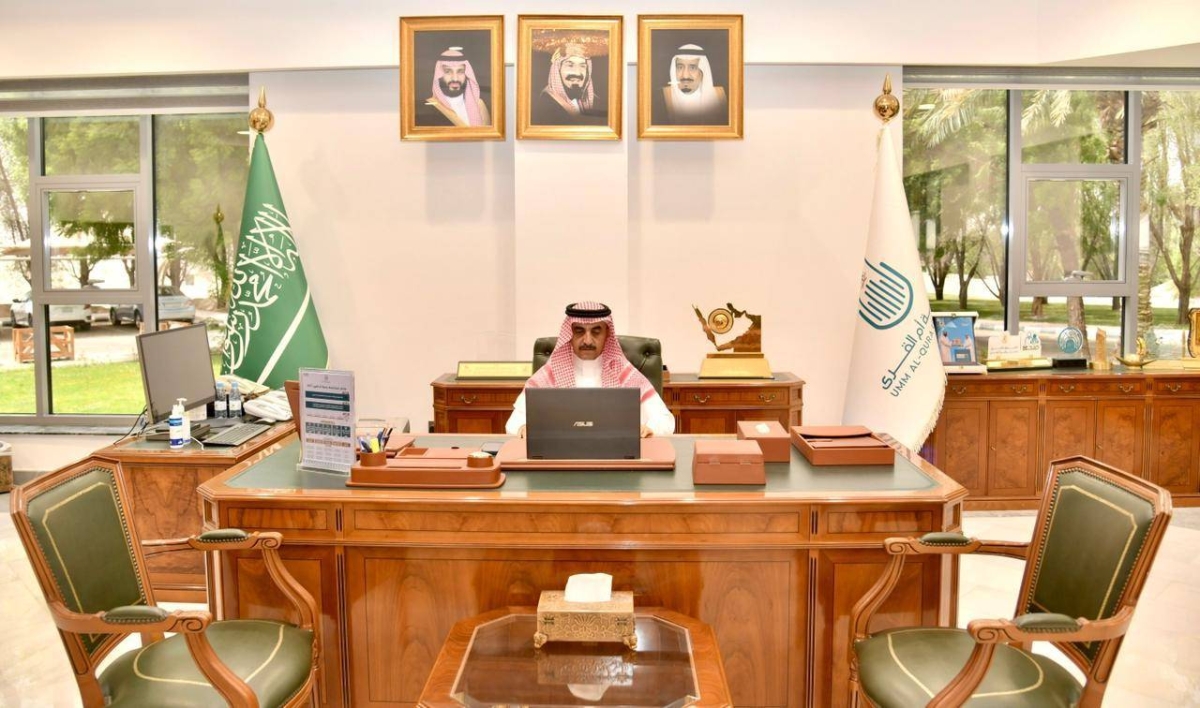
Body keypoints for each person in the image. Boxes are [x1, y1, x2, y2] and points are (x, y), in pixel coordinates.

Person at [505, 302, 675, 437]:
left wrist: (650, 428)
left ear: (607, 334)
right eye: (579, 331)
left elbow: (666, 420)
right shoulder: (549, 375)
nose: (587, 340)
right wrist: (522, 427)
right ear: (569, 334)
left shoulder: (625, 374)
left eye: (596, 332)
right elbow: (512, 424)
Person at [532, 42, 606, 125]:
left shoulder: (596, 101)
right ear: (557, 69)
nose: (577, 73)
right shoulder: (546, 103)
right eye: (570, 65)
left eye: (582, 66)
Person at [416, 46, 491, 127]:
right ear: (439, 75)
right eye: (448, 71)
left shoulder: (479, 105)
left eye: (460, 71)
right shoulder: (428, 107)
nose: (455, 78)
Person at [662, 44, 728, 124]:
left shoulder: (720, 96)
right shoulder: (662, 97)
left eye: (692, 67)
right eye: (680, 67)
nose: (685, 75)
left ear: (703, 71)